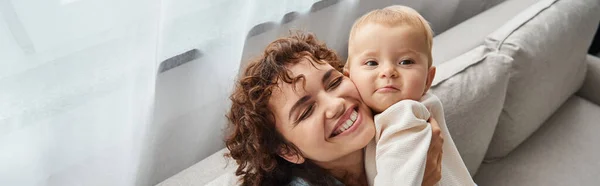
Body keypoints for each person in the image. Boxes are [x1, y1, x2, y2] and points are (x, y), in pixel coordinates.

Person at [225, 32, 444, 186]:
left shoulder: (400, 129)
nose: (336, 104)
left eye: (334, 83)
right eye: (307, 111)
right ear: (288, 151)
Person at [343, 5, 474, 186]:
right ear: (349, 78)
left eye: (405, 62)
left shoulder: (404, 116)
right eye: (372, 63)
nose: (388, 71)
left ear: (428, 80)